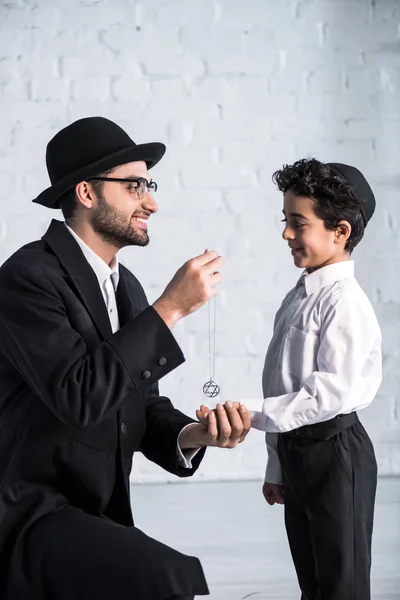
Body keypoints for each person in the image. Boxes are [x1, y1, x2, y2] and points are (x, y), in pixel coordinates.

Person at [0, 116, 251, 600]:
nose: (152, 202)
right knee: (165, 577)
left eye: (149, 185)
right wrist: (171, 308)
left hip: (93, 514)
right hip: (27, 512)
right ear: (87, 194)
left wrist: (196, 433)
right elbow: (78, 395)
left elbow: (138, 406)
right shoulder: (26, 278)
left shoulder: (126, 286)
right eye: (135, 186)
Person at [199, 158, 382, 600]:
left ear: (339, 232)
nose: (286, 233)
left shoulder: (345, 304)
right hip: (299, 449)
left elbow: (326, 393)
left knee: (342, 583)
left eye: (298, 223)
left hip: (335, 455)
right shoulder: (299, 295)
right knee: (311, 578)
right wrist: (276, 464)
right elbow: (281, 384)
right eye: (286, 221)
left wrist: (249, 414)